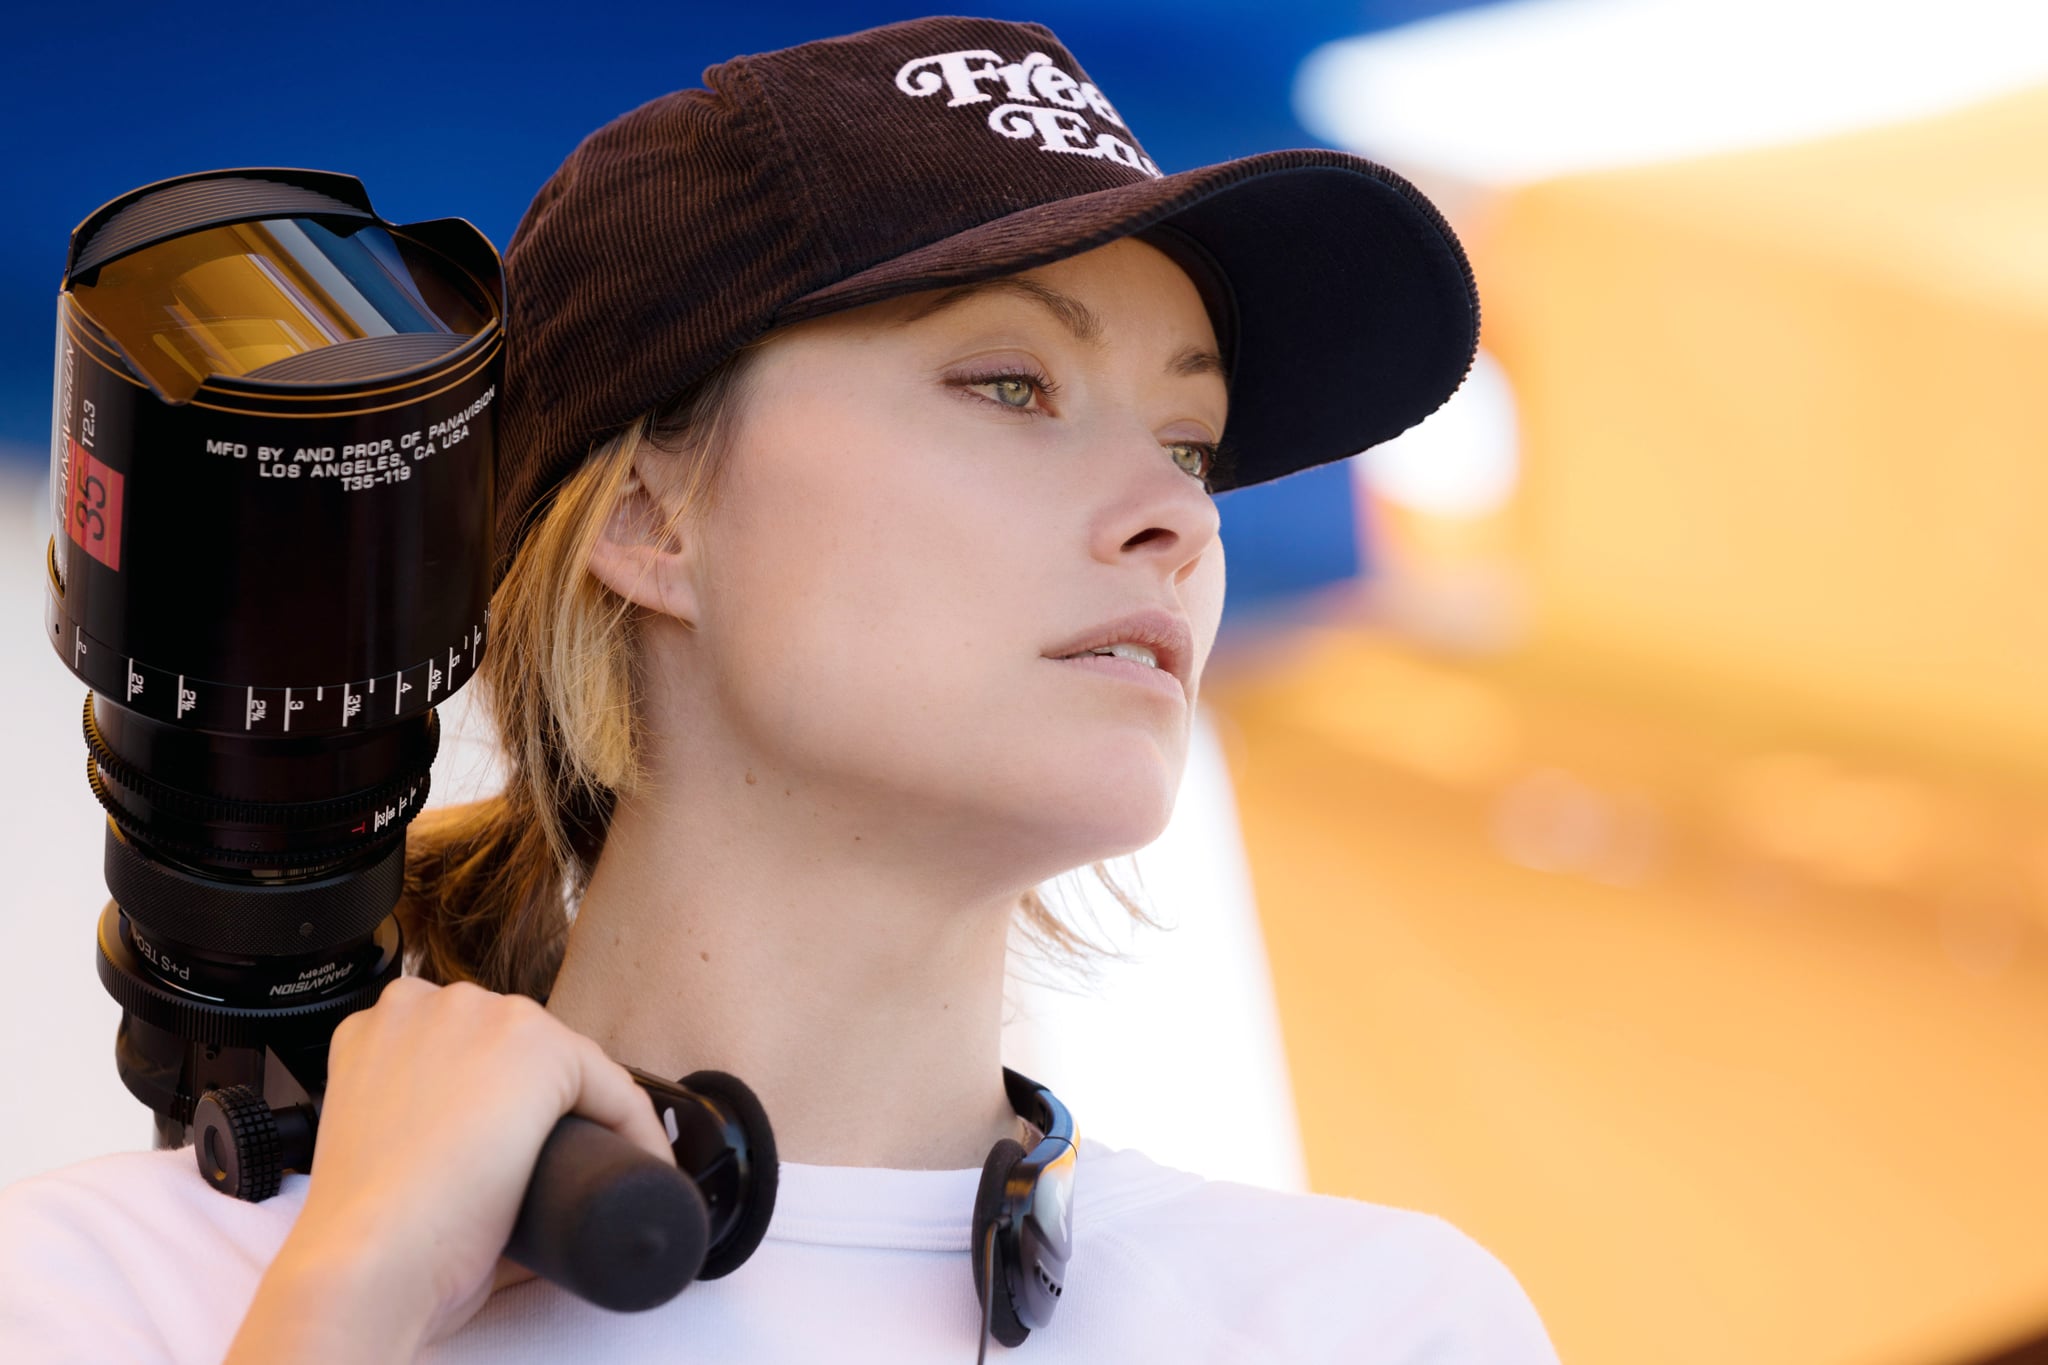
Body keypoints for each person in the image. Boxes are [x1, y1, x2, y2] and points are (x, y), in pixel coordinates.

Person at [0, 15, 1557, 1363]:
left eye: (1188, 441)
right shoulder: (111, 1293)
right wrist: (349, 1299)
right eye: (1011, 384)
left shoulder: (1378, 1324)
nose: (1181, 517)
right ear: (647, 519)